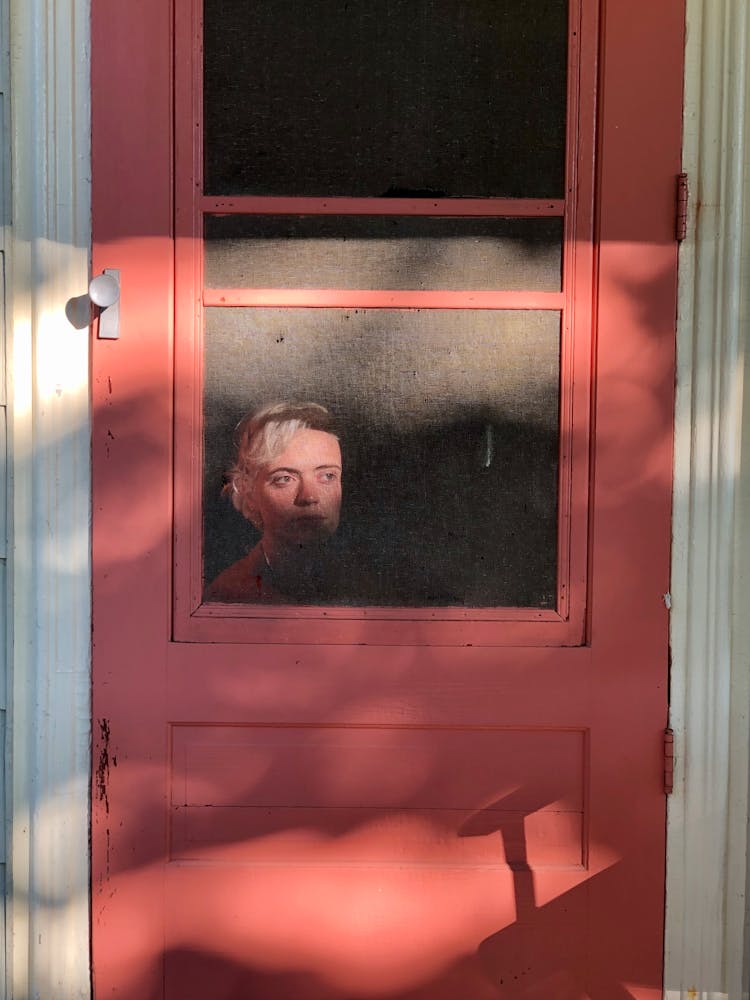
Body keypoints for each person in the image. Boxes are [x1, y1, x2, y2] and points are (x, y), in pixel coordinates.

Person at [205, 401, 345, 603]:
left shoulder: (369, 583)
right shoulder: (229, 595)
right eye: (284, 479)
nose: (310, 496)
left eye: (327, 476)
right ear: (249, 493)